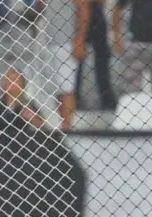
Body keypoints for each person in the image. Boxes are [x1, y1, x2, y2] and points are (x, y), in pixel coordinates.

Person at [0, 69, 84, 217]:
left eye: (17, 81)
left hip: (25, 155)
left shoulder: (28, 106)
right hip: (1, 154)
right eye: (10, 81)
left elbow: (43, 130)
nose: (13, 85)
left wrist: (33, 119)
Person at [42, 0, 91, 130]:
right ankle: (57, 127)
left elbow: (84, 8)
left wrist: (80, 39)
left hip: (66, 43)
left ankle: (67, 127)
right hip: (45, 42)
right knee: (53, 89)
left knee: (67, 88)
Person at [113, 0, 152, 98]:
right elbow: (117, 8)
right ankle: (130, 110)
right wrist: (117, 37)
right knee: (130, 86)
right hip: (136, 41)